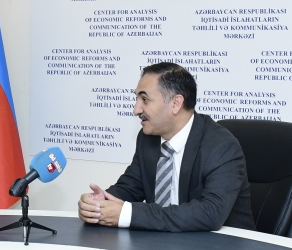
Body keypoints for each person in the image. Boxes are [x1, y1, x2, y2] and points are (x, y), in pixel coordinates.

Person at [78, 62, 256, 232]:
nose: (136, 109)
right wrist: (98, 203)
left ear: (176, 103)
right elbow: (130, 187)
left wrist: (128, 214)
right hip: (167, 243)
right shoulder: (148, 139)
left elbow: (211, 213)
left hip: (225, 247)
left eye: (145, 99)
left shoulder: (222, 146)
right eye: (137, 99)